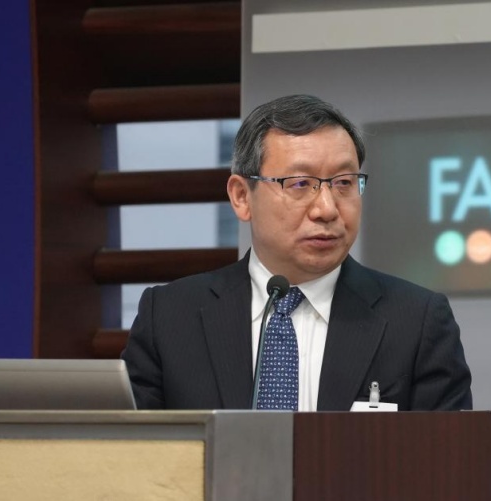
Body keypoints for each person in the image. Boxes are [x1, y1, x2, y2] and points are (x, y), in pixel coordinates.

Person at [121, 94, 472, 411]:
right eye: (301, 184)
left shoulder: (417, 322)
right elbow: (132, 451)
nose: (327, 209)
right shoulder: (169, 317)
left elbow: (450, 458)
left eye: (344, 183)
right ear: (242, 197)